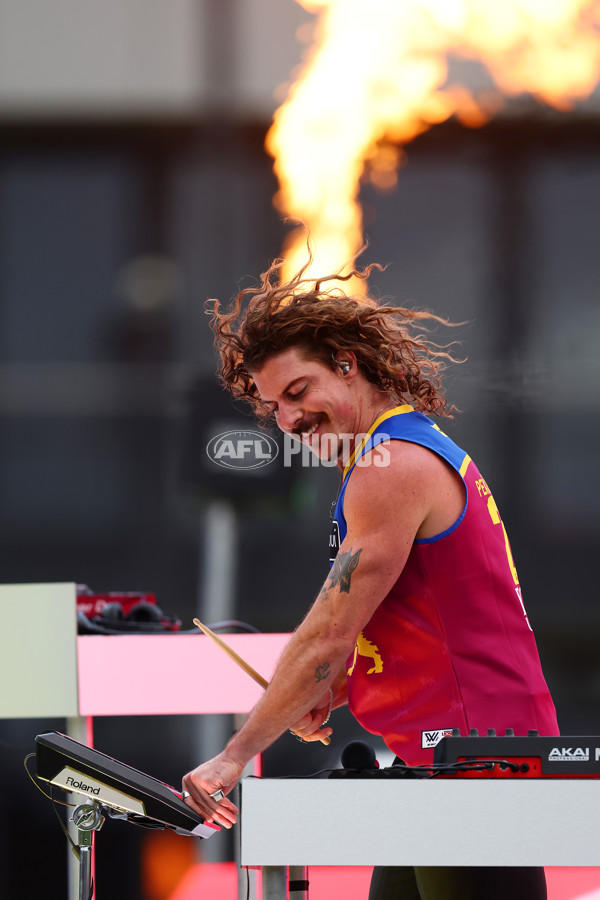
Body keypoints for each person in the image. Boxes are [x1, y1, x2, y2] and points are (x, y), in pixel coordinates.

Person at [182, 256, 559, 899]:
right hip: (440, 762)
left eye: (298, 392)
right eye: (273, 406)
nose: (289, 420)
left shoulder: (390, 465)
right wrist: (338, 683)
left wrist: (236, 753)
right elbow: (415, 615)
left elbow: (329, 630)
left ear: (348, 362)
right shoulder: (384, 457)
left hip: (477, 765)